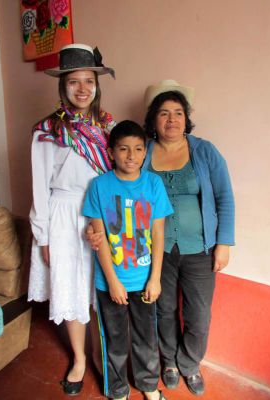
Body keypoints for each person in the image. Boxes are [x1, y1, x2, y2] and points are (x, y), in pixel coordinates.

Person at [28, 43, 115, 396]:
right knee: (72, 290)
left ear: (97, 85)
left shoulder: (108, 126)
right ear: (62, 86)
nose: (82, 89)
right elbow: (39, 187)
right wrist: (43, 236)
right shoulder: (48, 129)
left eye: (89, 81)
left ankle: (104, 355)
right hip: (63, 216)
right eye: (73, 82)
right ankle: (79, 358)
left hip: (102, 214)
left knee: (104, 286)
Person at [142, 79, 235, 396]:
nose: (171, 120)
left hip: (200, 249)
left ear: (186, 118)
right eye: (164, 113)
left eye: (178, 113)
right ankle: (168, 361)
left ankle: (190, 363)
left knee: (198, 314)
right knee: (163, 309)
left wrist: (223, 243)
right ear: (153, 119)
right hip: (157, 251)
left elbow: (225, 197)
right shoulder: (143, 152)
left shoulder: (204, 151)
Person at [82, 120, 173, 400]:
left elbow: (158, 234)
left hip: (145, 281)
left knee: (146, 338)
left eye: (137, 149)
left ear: (145, 153)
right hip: (111, 282)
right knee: (116, 340)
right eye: (123, 149)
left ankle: (148, 385)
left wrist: (155, 278)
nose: (131, 156)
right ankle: (119, 389)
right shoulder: (99, 186)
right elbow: (98, 238)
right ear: (111, 152)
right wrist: (112, 282)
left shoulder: (154, 184)